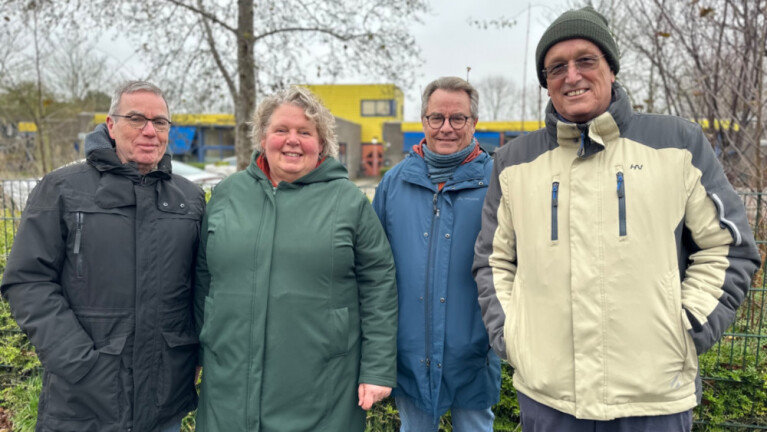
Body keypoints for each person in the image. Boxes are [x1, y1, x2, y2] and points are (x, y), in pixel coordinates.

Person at [472, 6, 762, 432]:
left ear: (611, 67)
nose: (571, 76)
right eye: (556, 68)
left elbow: (730, 246)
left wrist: (687, 329)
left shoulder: (678, 144)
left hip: (653, 396)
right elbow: (494, 261)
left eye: (585, 60)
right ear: (546, 84)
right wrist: (513, 337)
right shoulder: (514, 161)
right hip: (549, 398)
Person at [1, 80, 205, 432]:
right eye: (136, 119)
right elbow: (27, 281)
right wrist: (78, 361)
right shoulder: (63, 189)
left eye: (160, 122)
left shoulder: (189, 199)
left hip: (162, 403)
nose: (149, 131)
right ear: (111, 125)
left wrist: (195, 356)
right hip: (83, 401)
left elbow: (198, 288)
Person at [193, 86, 397, 432]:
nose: (292, 141)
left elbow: (379, 284)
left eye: (305, 132)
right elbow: (203, 277)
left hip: (322, 384)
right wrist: (196, 352)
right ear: (262, 136)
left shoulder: (348, 201)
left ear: (321, 143)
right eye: (281, 130)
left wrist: (377, 368)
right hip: (230, 378)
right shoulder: (227, 195)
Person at [373, 76, 501, 431]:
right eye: (437, 118)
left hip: (474, 354)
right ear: (423, 121)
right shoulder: (394, 183)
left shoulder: (497, 182)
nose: (446, 128)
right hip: (410, 353)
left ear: (473, 122)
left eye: (457, 118)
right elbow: (373, 268)